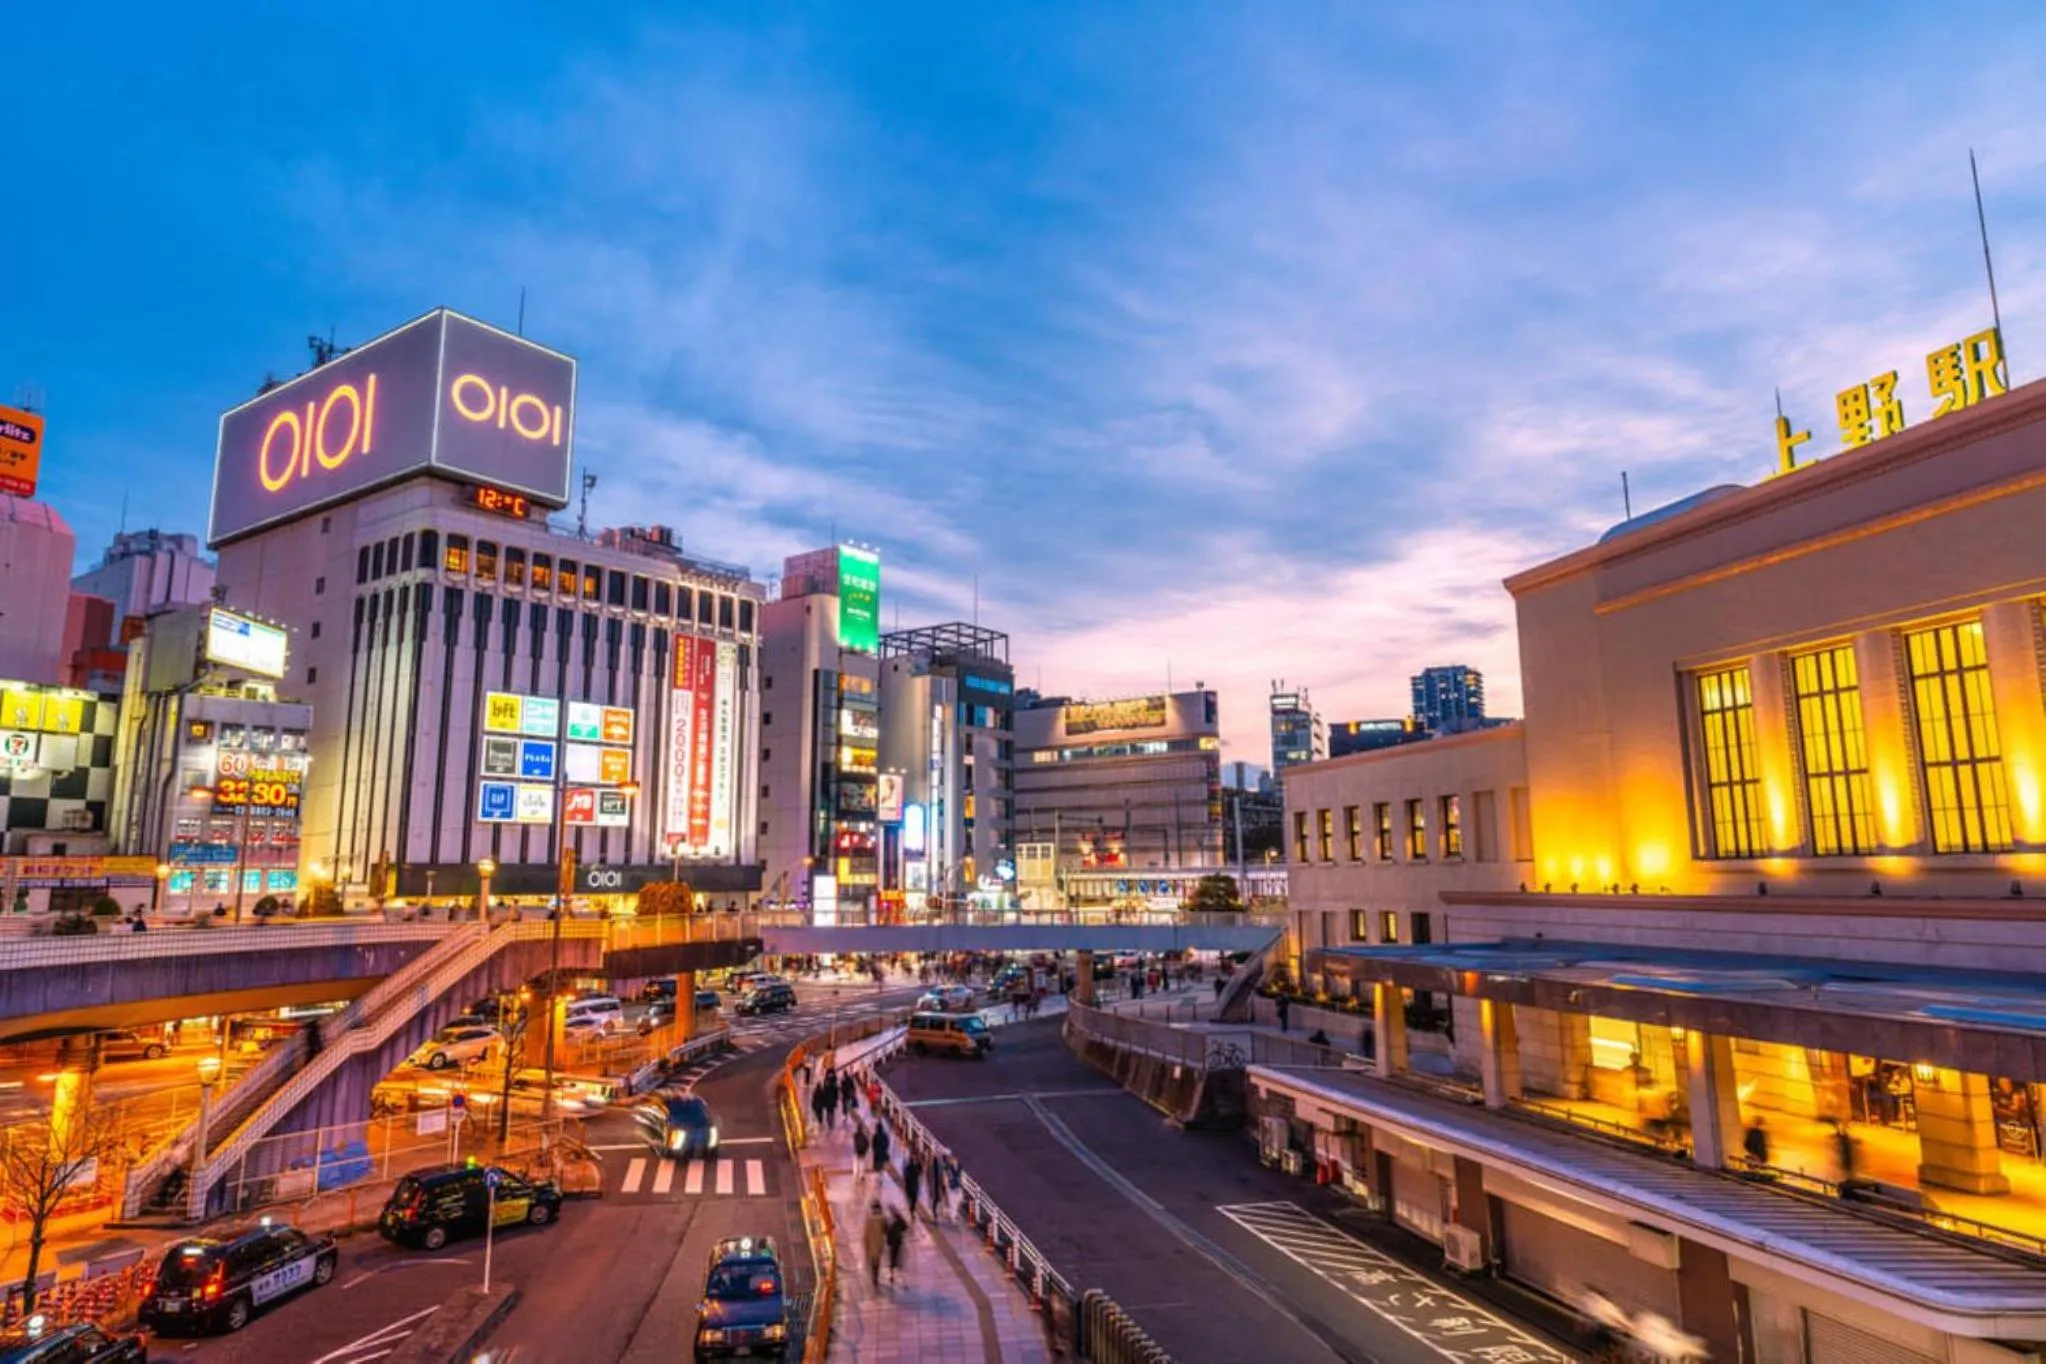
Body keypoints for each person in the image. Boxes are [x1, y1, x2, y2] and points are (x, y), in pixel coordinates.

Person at [862, 1201, 888, 1288]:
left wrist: (865, 1244)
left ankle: (874, 1277)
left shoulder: (869, 1220)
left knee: (873, 1261)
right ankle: (875, 1277)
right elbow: (885, 1231)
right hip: (879, 1243)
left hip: (871, 1242)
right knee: (877, 1261)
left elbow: (865, 1233)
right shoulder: (882, 1219)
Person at [884, 1207, 909, 1283]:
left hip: (892, 1242)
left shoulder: (889, 1220)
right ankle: (899, 1274)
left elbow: (885, 1230)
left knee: (892, 1258)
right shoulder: (899, 1220)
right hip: (897, 1241)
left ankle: (892, 1275)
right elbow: (905, 1227)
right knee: (897, 1257)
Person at [903, 1151, 924, 1220]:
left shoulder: (913, 1166)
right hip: (911, 1185)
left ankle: (912, 1210)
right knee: (912, 1198)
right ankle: (912, 1211)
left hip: (913, 1184)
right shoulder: (909, 1167)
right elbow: (906, 1175)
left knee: (913, 1198)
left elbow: (920, 1171)